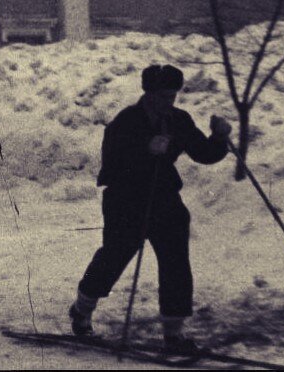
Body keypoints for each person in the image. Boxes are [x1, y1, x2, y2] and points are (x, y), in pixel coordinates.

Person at [70, 64, 232, 354]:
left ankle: (174, 334)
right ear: (149, 94)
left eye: (173, 96)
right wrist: (145, 149)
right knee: (114, 257)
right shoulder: (125, 122)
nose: (169, 102)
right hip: (126, 199)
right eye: (163, 96)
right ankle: (82, 311)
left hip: (164, 199)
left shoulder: (179, 119)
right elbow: (112, 166)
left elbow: (203, 153)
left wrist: (219, 138)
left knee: (175, 262)